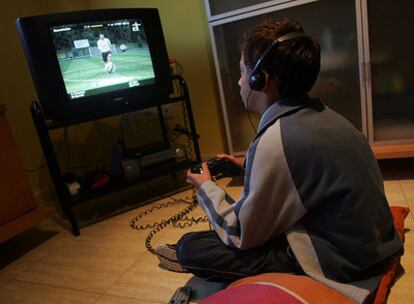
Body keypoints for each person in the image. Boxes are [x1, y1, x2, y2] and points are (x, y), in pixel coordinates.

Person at [155, 19, 403, 303]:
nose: (239, 81)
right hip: (371, 245)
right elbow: (305, 172)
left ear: (260, 79)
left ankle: (194, 254)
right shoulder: (327, 117)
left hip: (341, 262)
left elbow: (241, 233)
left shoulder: (278, 140)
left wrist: (205, 186)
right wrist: (244, 167)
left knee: (192, 247)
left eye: (242, 72)